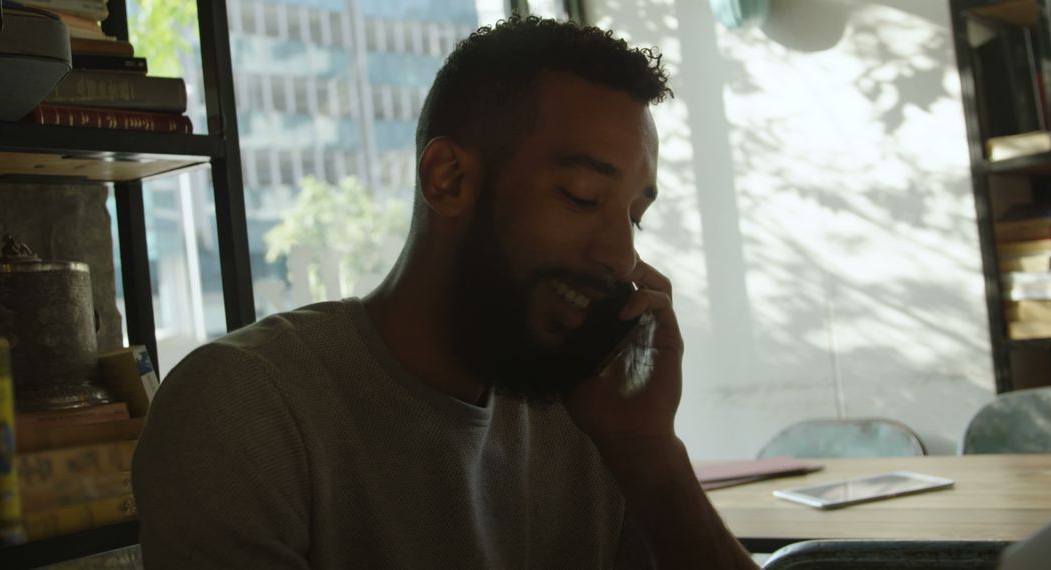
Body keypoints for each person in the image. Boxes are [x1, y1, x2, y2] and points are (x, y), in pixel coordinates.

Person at [132, 16, 755, 569]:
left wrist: (648, 453)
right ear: (448, 179)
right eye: (581, 198)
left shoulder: (591, 412)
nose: (621, 259)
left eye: (634, 216)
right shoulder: (245, 408)